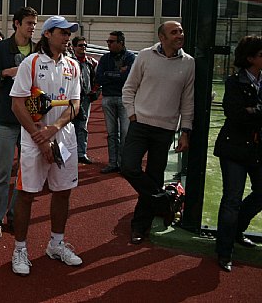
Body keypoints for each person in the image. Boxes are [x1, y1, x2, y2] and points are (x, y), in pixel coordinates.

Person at [9, 16, 83, 276]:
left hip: (62, 136)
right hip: (33, 138)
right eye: (63, 33)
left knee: (63, 192)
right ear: (48, 34)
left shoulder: (73, 66)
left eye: (69, 34)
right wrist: (39, 137)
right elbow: (17, 104)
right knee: (27, 194)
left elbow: (75, 104)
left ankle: (56, 244)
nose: (67, 38)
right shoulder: (31, 63)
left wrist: (54, 129)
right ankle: (19, 248)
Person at [120, 21, 195, 246]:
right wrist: (132, 114)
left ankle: (139, 226)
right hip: (140, 125)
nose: (180, 35)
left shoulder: (189, 63)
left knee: (154, 176)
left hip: (166, 129)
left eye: (181, 31)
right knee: (129, 167)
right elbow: (129, 87)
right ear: (162, 37)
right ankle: (165, 201)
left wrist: (185, 131)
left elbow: (187, 100)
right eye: (174, 32)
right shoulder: (144, 55)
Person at [0, 6, 37, 239]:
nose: (32, 27)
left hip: (31, 121)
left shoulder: (38, 51)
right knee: (2, 172)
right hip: (5, 119)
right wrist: (6, 72)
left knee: (25, 173)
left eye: (34, 23)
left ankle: (14, 215)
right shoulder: (0, 49)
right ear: (16, 23)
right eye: (29, 23)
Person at [213, 35, 262, 272]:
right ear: (250, 58)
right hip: (234, 147)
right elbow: (236, 114)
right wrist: (253, 111)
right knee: (232, 197)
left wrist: (253, 110)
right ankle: (224, 251)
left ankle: (236, 231)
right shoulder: (234, 82)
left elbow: (248, 113)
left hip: (256, 148)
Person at [96, 30, 135, 174]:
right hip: (108, 98)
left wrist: (109, 75)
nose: (108, 44)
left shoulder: (130, 57)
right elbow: (99, 77)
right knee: (112, 133)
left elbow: (129, 77)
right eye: (108, 42)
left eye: (111, 42)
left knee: (125, 133)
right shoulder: (105, 58)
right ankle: (113, 163)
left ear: (121, 43)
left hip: (124, 98)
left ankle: (124, 164)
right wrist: (119, 73)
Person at [72, 36, 99, 164]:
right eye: (80, 45)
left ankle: (81, 153)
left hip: (86, 98)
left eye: (84, 45)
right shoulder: (69, 62)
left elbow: (97, 79)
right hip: (71, 99)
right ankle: (68, 152)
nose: (83, 48)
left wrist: (95, 91)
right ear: (74, 47)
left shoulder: (91, 62)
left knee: (83, 126)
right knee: (68, 126)